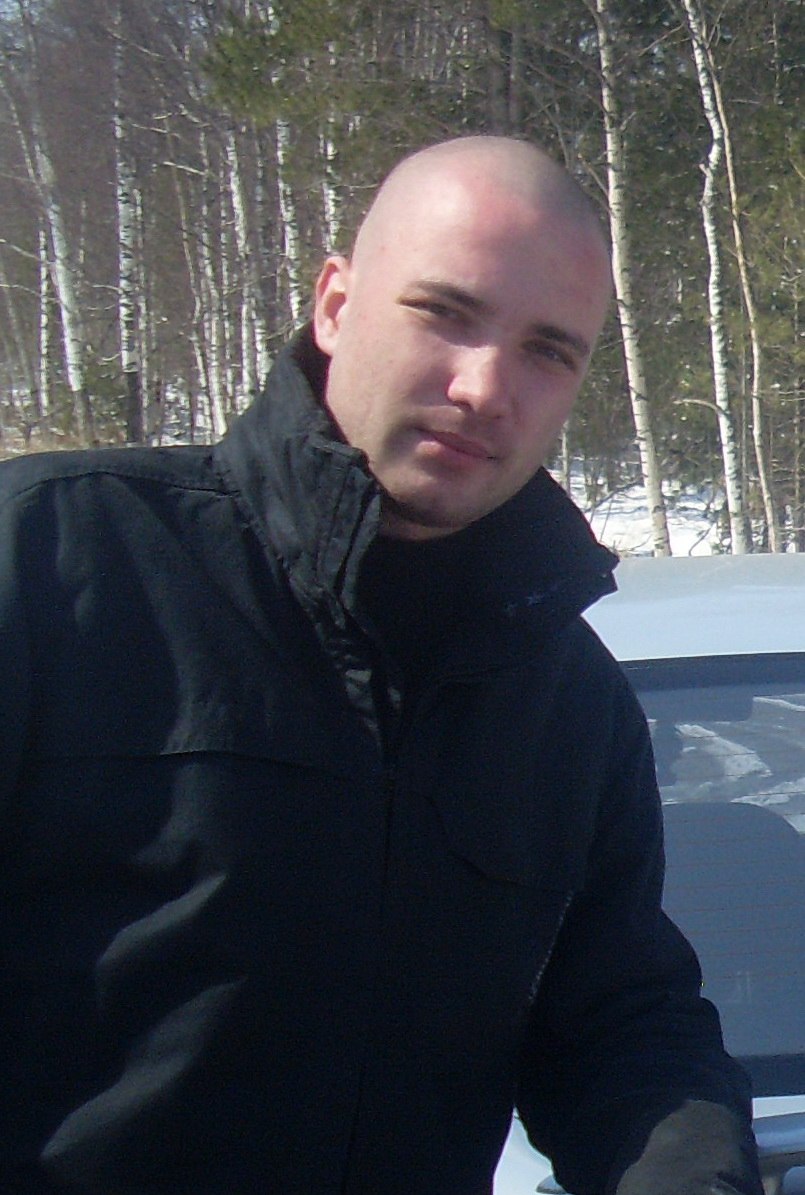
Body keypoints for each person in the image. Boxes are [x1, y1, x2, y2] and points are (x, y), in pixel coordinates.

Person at [0, 136, 761, 1195]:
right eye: (444, 312)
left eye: (547, 351)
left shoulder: (566, 701)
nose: (484, 386)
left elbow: (618, 1023)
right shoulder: (57, 561)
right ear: (334, 304)